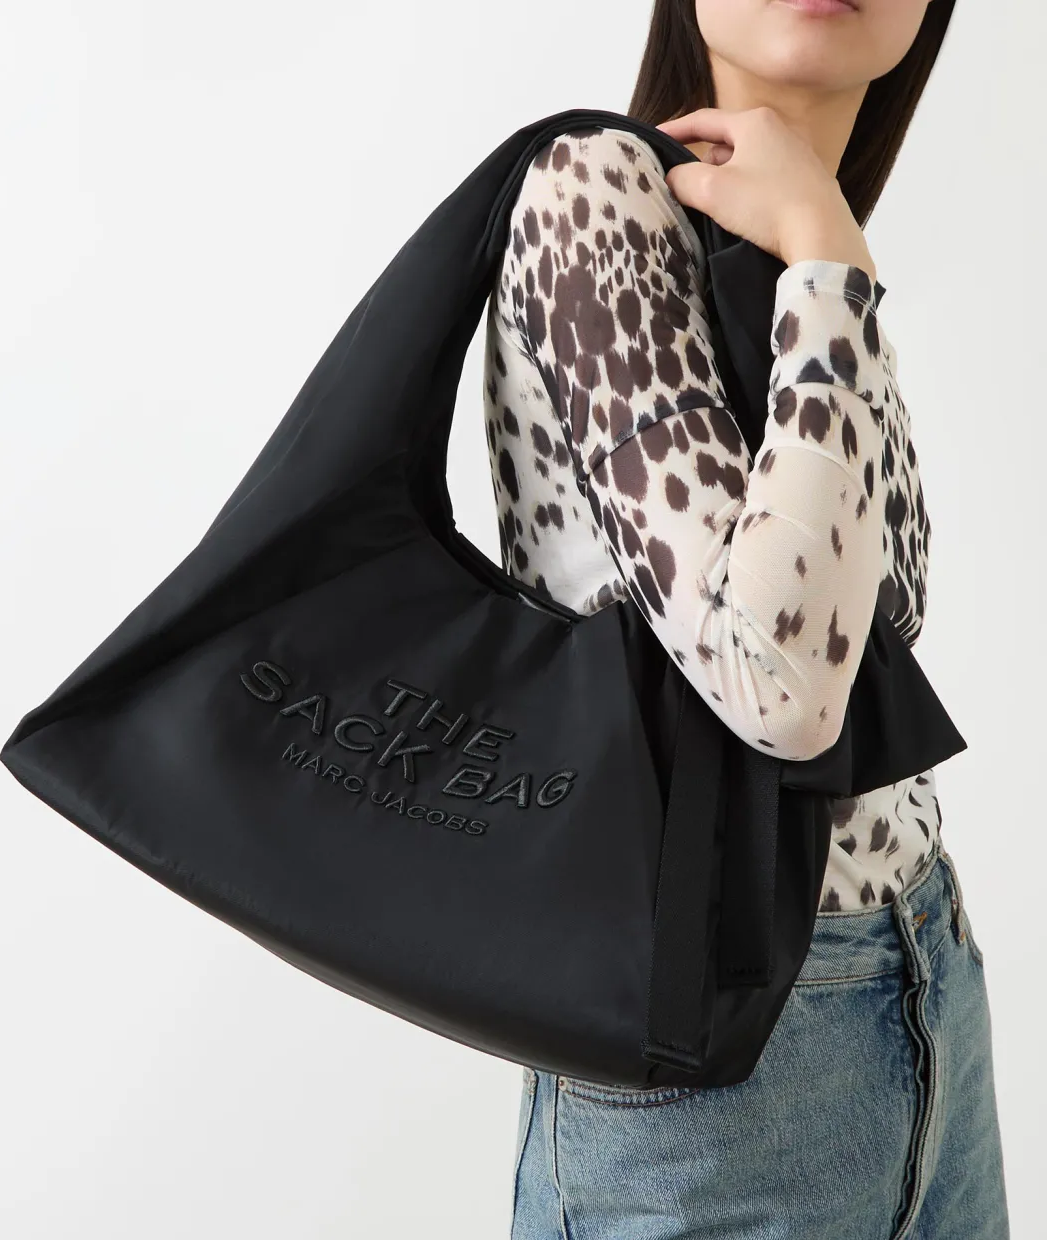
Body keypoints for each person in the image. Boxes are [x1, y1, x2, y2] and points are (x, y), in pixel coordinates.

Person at [483, 1, 1010, 1235]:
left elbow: (880, 620)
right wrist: (828, 263)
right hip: (710, 1061)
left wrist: (819, 253)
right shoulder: (596, 191)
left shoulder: (796, 244)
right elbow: (780, 686)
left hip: (920, 972)